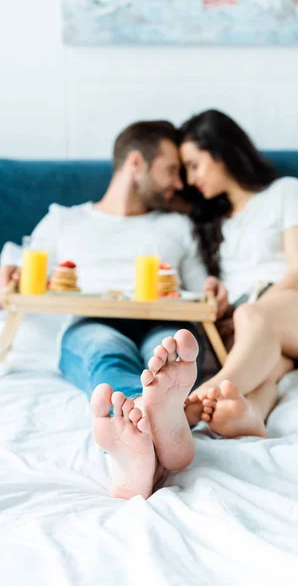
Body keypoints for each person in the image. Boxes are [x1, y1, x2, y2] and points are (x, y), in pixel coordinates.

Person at [0, 121, 229, 489]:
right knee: (104, 351)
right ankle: (154, 417)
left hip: (163, 318)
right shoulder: (64, 220)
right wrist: (9, 276)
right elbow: (24, 279)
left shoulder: (178, 225)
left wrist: (215, 290)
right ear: (136, 163)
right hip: (91, 321)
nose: (180, 183)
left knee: (171, 348)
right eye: (171, 169)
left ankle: (137, 430)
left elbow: (202, 287)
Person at [179, 109, 298, 439]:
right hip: (250, 322)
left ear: (221, 152)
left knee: (253, 315)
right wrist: (218, 292)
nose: (190, 179)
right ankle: (249, 414)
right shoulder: (217, 225)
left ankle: (208, 391)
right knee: (268, 370)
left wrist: (248, 313)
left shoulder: (286, 192)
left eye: (194, 165)